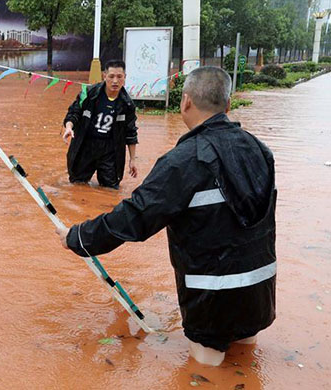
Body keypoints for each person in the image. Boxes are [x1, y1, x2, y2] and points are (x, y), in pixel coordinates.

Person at [56, 66, 276, 366]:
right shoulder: (260, 150)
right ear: (227, 105)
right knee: (246, 359)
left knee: (205, 371)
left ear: (185, 102)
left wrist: (78, 237)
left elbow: (135, 217)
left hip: (211, 300)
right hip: (260, 294)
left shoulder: (184, 160)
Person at [62, 60, 138, 189]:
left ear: (125, 77)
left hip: (110, 149)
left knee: (110, 189)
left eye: (119, 77)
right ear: (104, 76)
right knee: (77, 184)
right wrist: (69, 127)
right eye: (111, 76)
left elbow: (130, 133)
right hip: (86, 144)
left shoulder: (127, 104)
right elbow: (74, 112)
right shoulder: (89, 93)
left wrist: (132, 160)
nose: (115, 81)